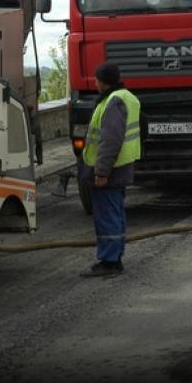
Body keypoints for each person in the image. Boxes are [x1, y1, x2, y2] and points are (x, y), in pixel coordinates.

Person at [79, 62, 141, 277]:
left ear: (103, 82)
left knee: (107, 216)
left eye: (97, 80)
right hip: (122, 165)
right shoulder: (128, 98)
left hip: (110, 169)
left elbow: (110, 140)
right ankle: (116, 258)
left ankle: (109, 262)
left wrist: (102, 171)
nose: (95, 83)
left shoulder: (113, 102)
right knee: (115, 213)